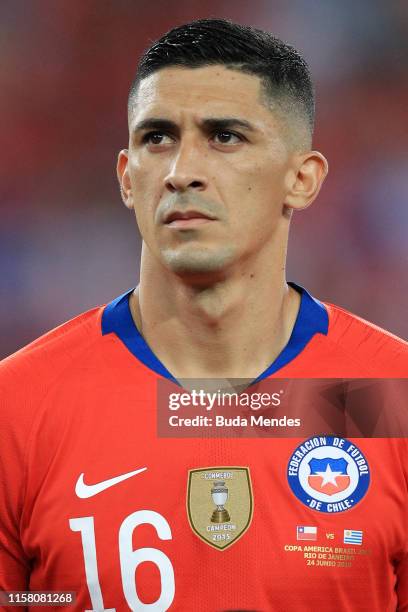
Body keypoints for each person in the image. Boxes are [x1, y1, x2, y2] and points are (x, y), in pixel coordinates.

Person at [0, 17, 407, 612]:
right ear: (126, 179)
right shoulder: (18, 406)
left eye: (225, 137)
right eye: (157, 138)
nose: (180, 170)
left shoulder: (389, 395)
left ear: (302, 178)